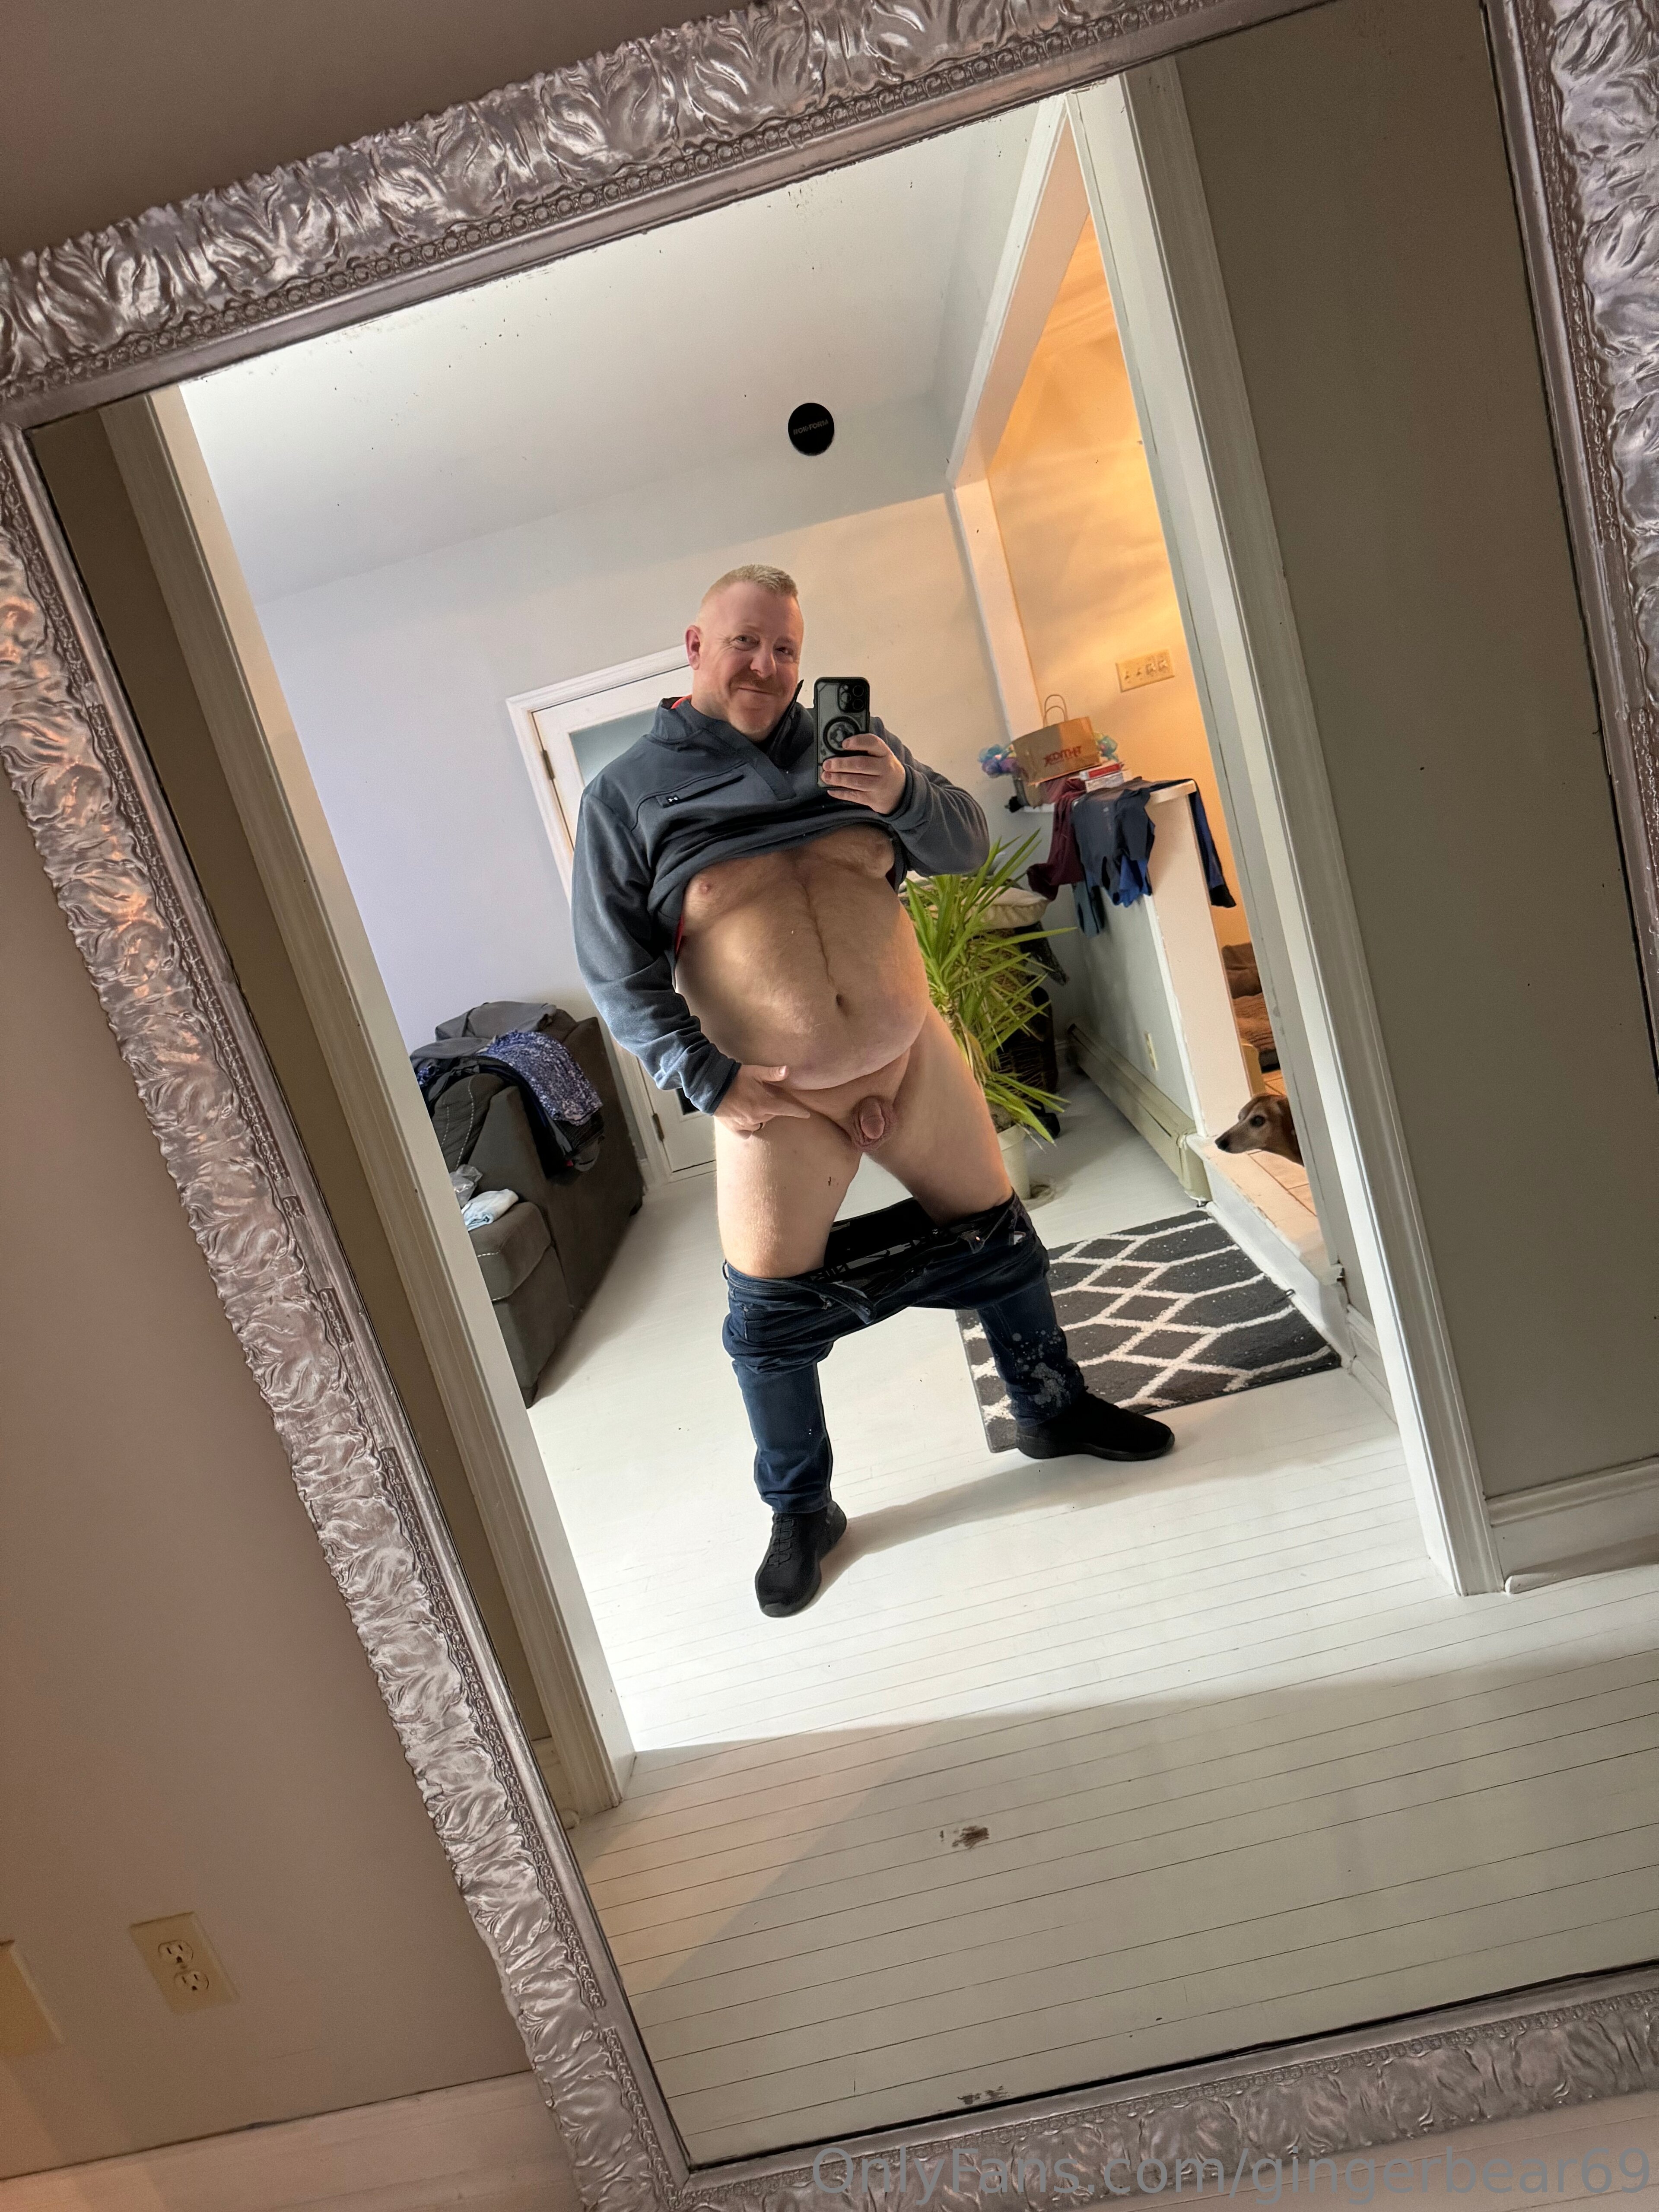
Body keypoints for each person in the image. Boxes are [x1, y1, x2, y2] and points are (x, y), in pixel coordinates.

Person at [572, 564, 1173, 1615]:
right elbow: (615, 969)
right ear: (697, 646)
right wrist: (706, 1078)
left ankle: (1051, 1408)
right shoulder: (626, 794)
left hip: (908, 1052)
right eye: (745, 642)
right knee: (770, 1319)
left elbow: (964, 846)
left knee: (999, 1238)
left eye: (786, 649)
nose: (767, 666)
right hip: (776, 1096)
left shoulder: (854, 746)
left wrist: (902, 796)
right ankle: (803, 1509)